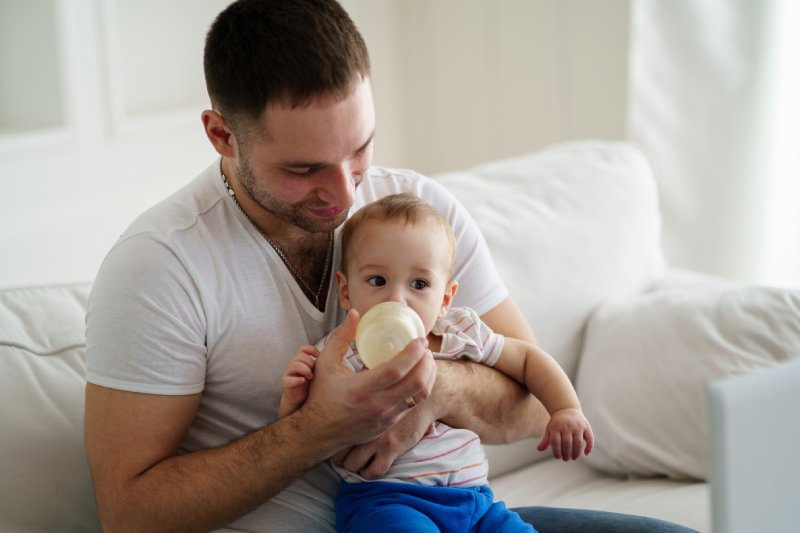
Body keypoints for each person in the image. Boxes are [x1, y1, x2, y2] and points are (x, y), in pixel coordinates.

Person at [83, 1, 698, 531]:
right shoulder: (160, 266)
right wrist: (318, 429)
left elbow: (532, 405)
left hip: (455, 512)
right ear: (221, 135)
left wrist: (430, 392)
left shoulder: (420, 216)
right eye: (303, 170)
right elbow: (129, 514)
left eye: (359, 150)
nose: (347, 194)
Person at [279, 193, 594, 532]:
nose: (397, 298)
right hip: (387, 502)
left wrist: (565, 409)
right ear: (345, 290)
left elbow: (528, 359)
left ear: (445, 299)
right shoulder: (339, 354)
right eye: (377, 281)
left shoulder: (460, 333)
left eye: (419, 284)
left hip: (475, 502)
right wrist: (294, 395)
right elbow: (305, 432)